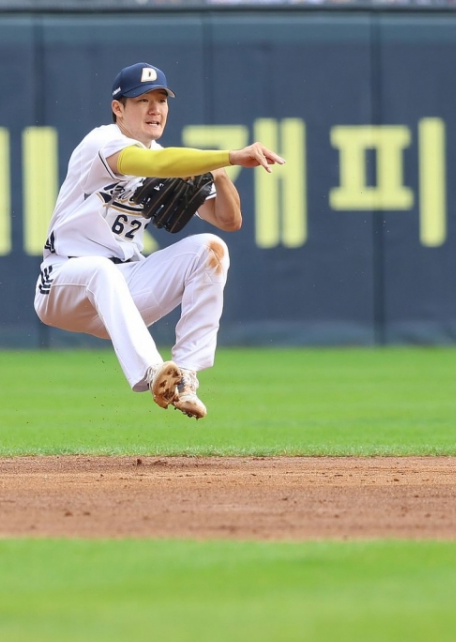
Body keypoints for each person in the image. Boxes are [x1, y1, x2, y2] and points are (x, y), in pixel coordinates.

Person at [34, 63, 285, 420]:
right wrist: (228, 154)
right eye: (142, 100)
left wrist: (218, 172)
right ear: (118, 109)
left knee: (211, 250)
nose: (155, 109)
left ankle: (184, 377)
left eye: (161, 100)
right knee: (100, 271)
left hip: (122, 295)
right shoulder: (102, 142)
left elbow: (230, 221)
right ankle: (154, 375)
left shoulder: (169, 160)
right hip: (63, 283)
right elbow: (147, 161)